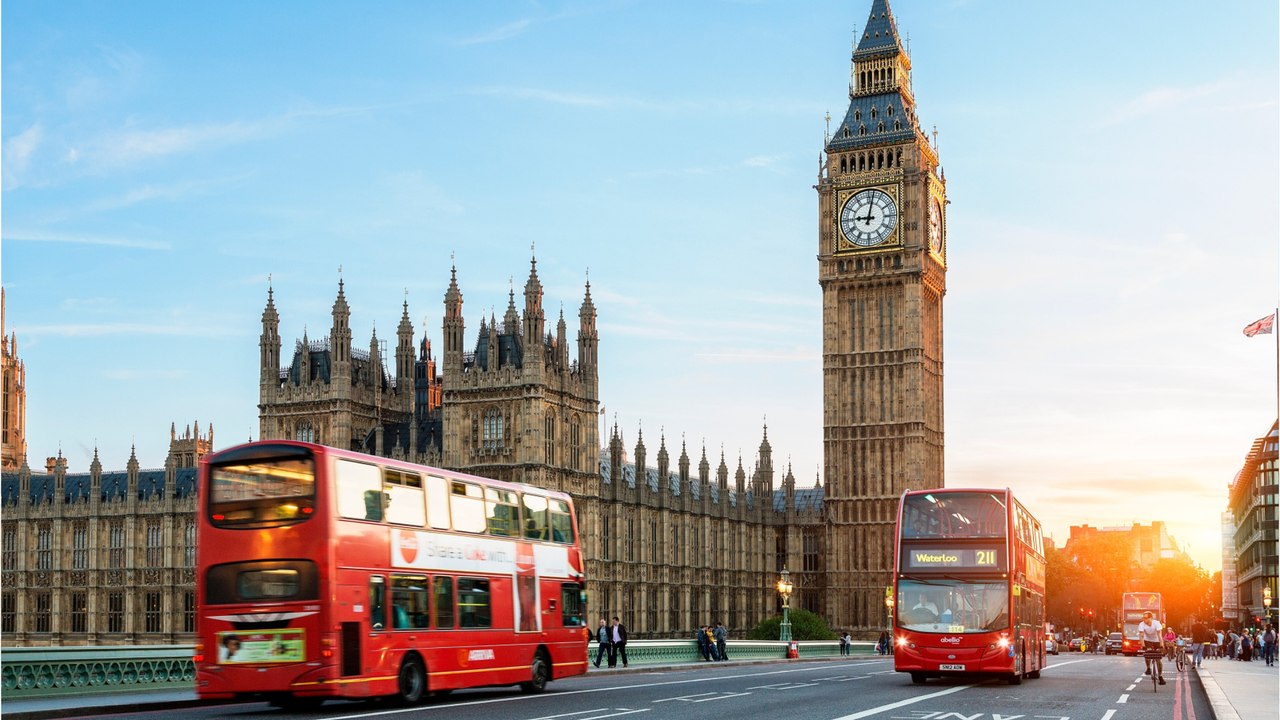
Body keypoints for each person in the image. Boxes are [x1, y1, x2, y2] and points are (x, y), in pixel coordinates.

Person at [1137, 610, 1165, 685]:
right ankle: (1148, 668)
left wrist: (1161, 645)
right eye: (1143, 618)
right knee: (1147, 654)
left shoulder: (1156, 623)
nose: (1144, 619)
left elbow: (1159, 635)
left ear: (1151, 618)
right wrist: (1143, 646)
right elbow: (1141, 635)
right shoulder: (1141, 624)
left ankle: (1160, 676)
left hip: (1157, 641)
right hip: (1147, 640)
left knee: (1158, 659)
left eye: (1145, 618)